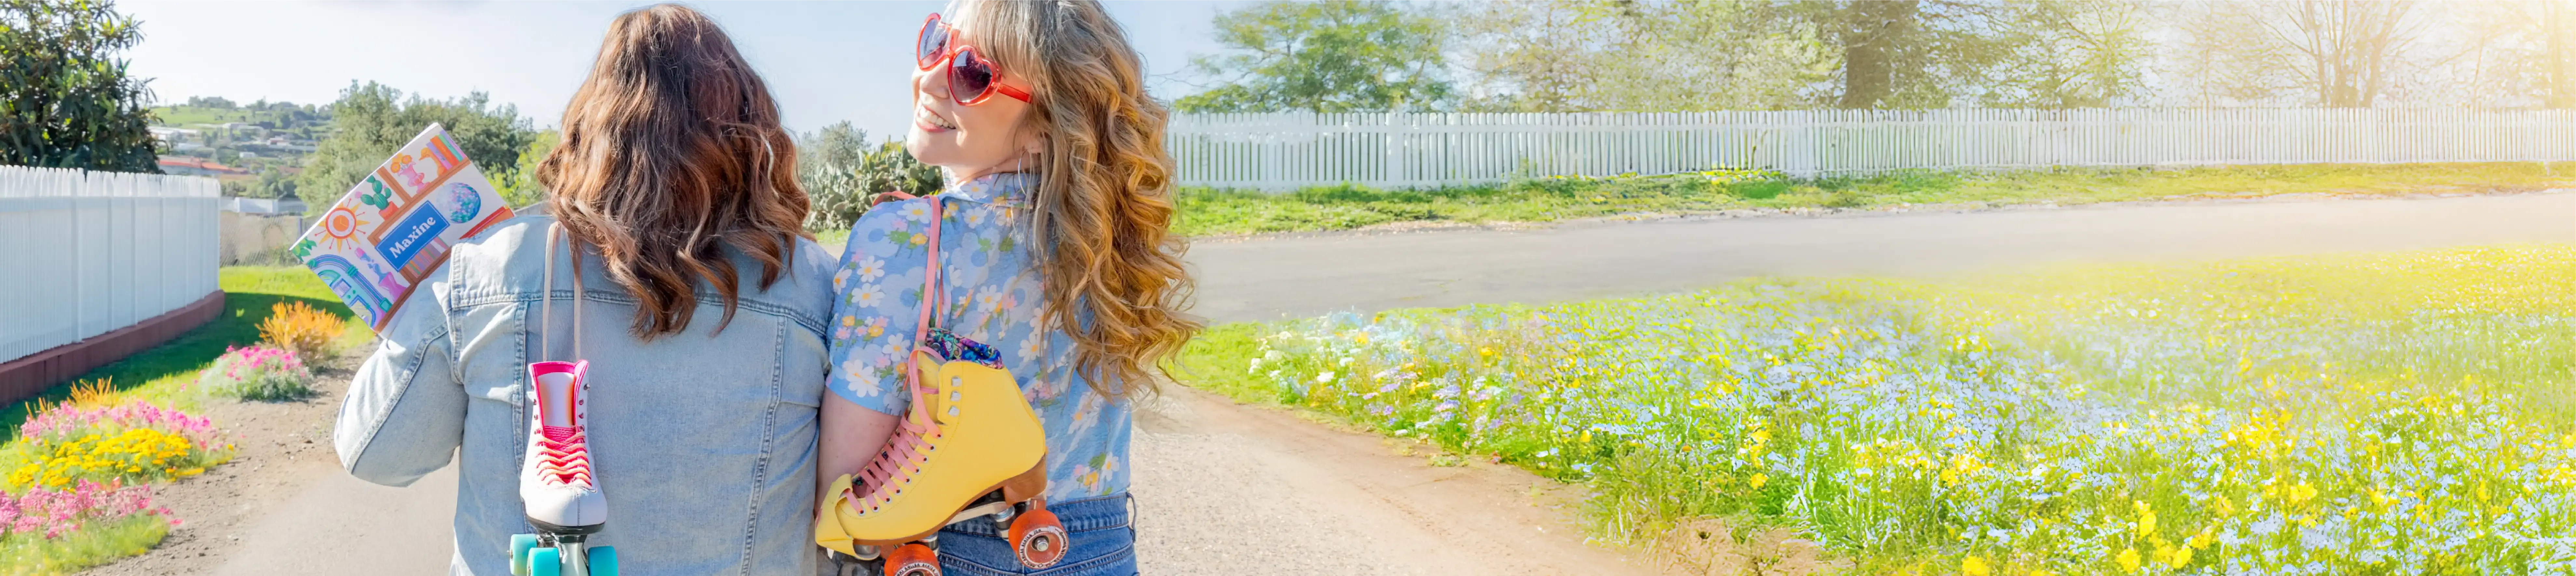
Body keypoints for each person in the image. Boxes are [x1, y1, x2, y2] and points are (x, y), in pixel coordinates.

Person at [333, 5, 835, 575]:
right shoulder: (813, 284)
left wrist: (414, 310)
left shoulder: (486, 267)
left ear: (587, 127)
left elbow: (379, 457)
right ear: (751, 129)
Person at [815, 0, 1199, 573]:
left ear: (1047, 125)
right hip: (1099, 544)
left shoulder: (906, 236)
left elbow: (845, 476)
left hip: (946, 553)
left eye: (973, 73)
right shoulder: (1108, 240)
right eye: (936, 45)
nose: (930, 78)